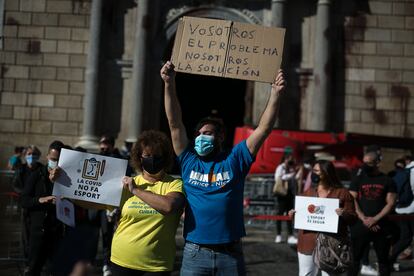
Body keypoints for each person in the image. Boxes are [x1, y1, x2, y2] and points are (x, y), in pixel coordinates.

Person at [161, 60, 286, 275]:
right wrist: (169, 83)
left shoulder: (235, 159)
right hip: (194, 253)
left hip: (230, 254)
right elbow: (174, 123)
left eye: (207, 133)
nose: (201, 137)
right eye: (198, 134)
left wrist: (275, 94)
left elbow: (263, 129)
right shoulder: (189, 159)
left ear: (220, 137)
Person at [110, 130, 185, 275]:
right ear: (139, 157)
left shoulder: (175, 184)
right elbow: (95, 203)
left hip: (157, 265)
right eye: (148, 155)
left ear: (165, 158)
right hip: (121, 260)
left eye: (157, 156)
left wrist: (136, 191)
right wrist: (63, 187)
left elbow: (168, 206)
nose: (152, 159)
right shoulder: (127, 183)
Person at [288, 160, 356, 276]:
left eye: (316, 171)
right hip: (307, 242)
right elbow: (300, 220)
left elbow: (353, 218)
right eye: (313, 170)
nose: (313, 173)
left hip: (332, 245)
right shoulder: (307, 193)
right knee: (306, 274)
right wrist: (293, 215)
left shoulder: (342, 193)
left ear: (326, 173)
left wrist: (344, 214)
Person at [348, 151, 397, 276]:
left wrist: (375, 219)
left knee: (383, 262)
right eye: (364, 163)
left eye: (369, 163)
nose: (365, 166)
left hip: (380, 226)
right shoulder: (357, 179)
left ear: (377, 163)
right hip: (360, 225)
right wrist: (363, 218)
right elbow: (352, 199)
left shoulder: (387, 180)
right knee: (354, 261)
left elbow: (390, 203)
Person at [21, 140, 65, 276]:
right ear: (47, 157)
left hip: (57, 231)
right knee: (34, 268)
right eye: (53, 159)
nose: (55, 162)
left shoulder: (66, 178)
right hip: (38, 231)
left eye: (58, 160)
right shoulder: (37, 174)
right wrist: (40, 200)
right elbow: (24, 200)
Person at [12, 145, 42, 262]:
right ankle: (27, 260)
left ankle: (36, 259)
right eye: (29, 154)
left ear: (38, 156)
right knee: (25, 235)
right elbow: (15, 185)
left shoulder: (41, 169)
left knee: (37, 235)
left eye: (34, 154)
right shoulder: (21, 169)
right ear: (25, 156)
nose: (32, 156)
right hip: (25, 206)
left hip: (38, 206)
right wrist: (25, 194)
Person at [389, 155, 414, 271]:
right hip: (410, 210)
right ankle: (387, 261)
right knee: (406, 238)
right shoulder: (410, 171)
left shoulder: (405, 172)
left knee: (405, 237)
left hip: (401, 209)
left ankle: (389, 261)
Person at [274, 153, 299, 244]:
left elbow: (295, 179)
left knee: (290, 214)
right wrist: (291, 174)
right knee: (280, 214)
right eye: (288, 159)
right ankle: (278, 235)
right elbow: (278, 178)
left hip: (290, 194)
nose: (290, 161)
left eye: (291, 159)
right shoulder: (281, 168)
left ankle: (290, 235)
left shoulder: (292, 168)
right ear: (284, 159)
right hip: (282, 193)